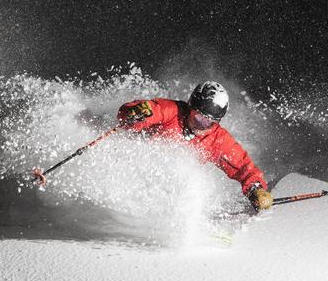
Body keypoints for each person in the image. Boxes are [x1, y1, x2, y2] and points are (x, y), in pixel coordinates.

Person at [117, 81, 273, 210]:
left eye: (208, 122)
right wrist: (135, 113)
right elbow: (147, 110)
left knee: (184, 184)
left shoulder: (217, 139)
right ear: (190, 108)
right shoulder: (172, 111)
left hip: (167, 186)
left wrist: (255, 189)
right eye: (198, 117)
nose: (201, 125)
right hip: (137, 165)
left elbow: (243, 166)